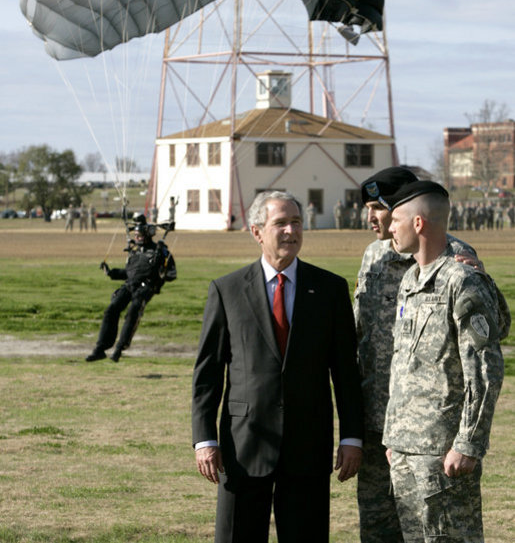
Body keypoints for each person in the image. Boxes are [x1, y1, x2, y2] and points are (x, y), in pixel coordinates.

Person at [192, 190, 363, 543]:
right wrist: (204, 439)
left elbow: (346, 372)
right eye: (280, 223)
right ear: (257, 232)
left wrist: (351, 437)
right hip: (244, 446)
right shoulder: (226, 290)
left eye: (296, 223)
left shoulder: (330, 289)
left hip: (308, 446)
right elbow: (208, 374)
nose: (290, 231)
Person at [353, 166, 511, 543]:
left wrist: (468, 442)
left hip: (437, 439)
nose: (378, 219)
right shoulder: (378, 261)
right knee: (385, 530)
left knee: (443, 533)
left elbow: (486, 354)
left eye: (383, 209)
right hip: (390, 431)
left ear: (414, 218)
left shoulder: (457, 265)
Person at [86, 213, 177, 363]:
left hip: (145, 288)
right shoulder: (134, 252)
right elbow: (129, 274)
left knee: (133, 310)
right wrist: (111, 272)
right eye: (136, 234)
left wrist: (164, 274)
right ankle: (100, 349)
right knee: (111, 309)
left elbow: (172, 274)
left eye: (140, 235)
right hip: (129, 286)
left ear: (147, 234)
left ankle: (119, 348)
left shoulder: (159, 251)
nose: (137, 237)